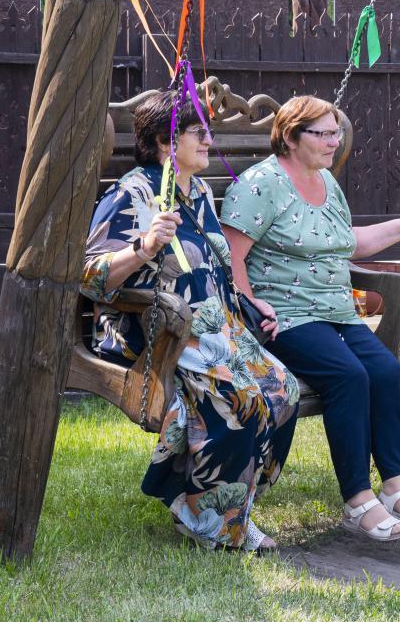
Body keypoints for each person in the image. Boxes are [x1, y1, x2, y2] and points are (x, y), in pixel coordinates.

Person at [82, 90, 299, 553]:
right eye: (199, 132)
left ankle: (233, 507)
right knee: (240, 397)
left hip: (214, 328)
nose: (208, 141)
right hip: (158, 333)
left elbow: (215, 266)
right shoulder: (132, 194)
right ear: (167, 141)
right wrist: (143, 247)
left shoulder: (198, 192)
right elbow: (89, 277)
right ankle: (210, 522)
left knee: (283, 388)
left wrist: (247, 301)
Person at [219, 96, 400, 542]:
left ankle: (394, 487)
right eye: (324, 134)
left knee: (384, 370)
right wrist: (249, 307)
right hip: (285, 316)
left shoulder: (326, 182)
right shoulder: (260, 185)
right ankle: (358, 500)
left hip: (336, 312)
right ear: (291, 137)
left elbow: (346, 242)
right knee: (348, 377)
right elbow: (231, 256)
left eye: (336, 132)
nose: (336, 141)